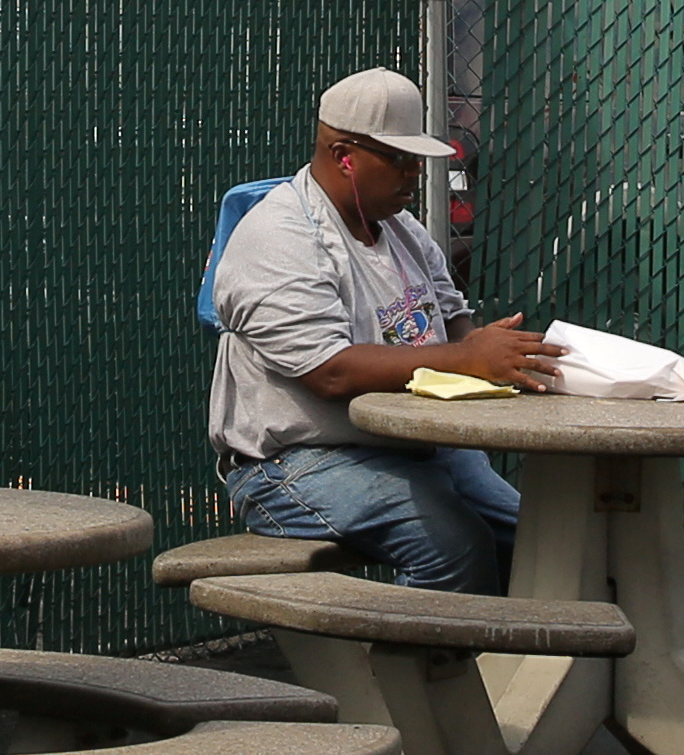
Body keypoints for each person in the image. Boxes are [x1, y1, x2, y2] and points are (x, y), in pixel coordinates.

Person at [205, 67, 560, 596]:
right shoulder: (278, 237)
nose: (414, 174)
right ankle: (421, 676)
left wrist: (495, 351)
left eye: (418, 160)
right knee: (451, 544)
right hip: (295, 462)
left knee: (537, 540)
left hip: (414, 444)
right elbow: (329, 371)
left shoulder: (399, 227)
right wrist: (469, 359)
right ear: (343, 154)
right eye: (398, 160)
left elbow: (452, 320)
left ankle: (519, 672)